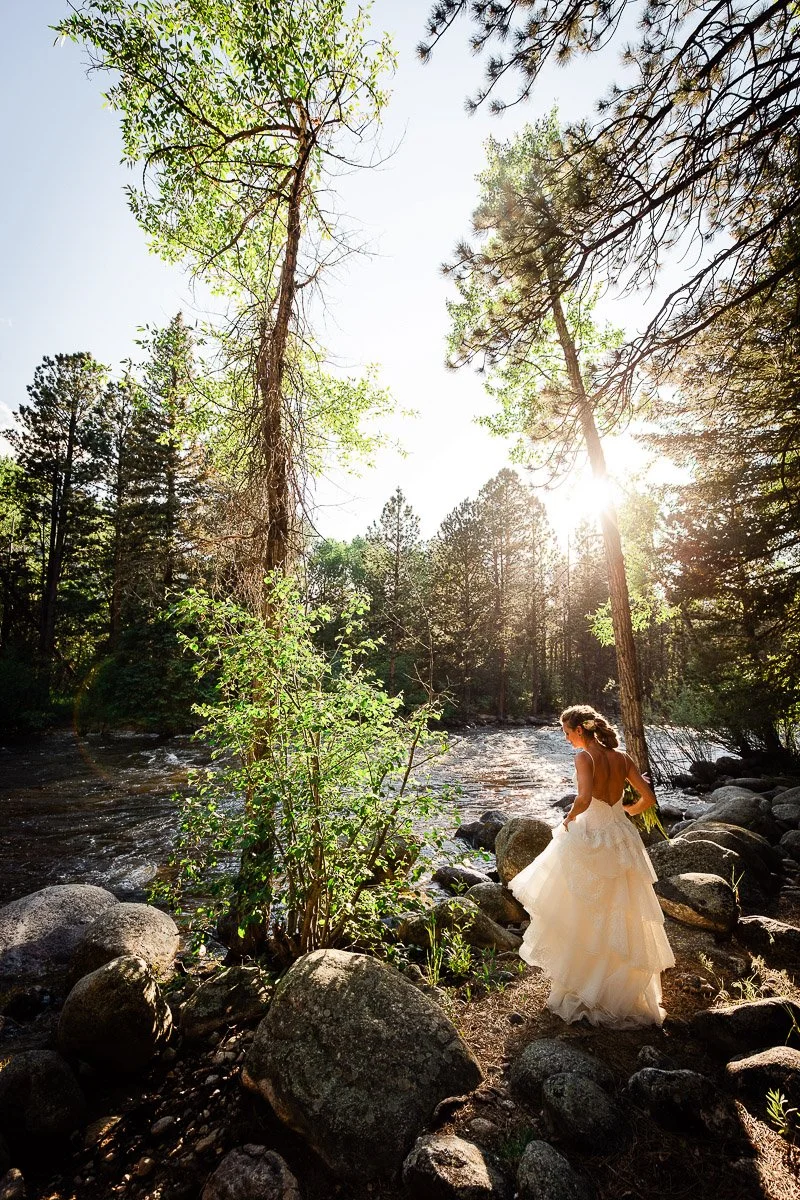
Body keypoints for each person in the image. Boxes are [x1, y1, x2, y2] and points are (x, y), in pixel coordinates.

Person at [508, 704, 675, 1027]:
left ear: (580, 730)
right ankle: (618, 990)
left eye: (567, 733)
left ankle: (588, 986)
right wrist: (626, 811)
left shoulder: (585, 757)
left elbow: (583, 799)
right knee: (622, 908)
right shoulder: (622, 758)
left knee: (585, 907)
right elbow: (649, 798)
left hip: (592, 832)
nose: (567, 739)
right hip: (620, 834)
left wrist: (568, 819)